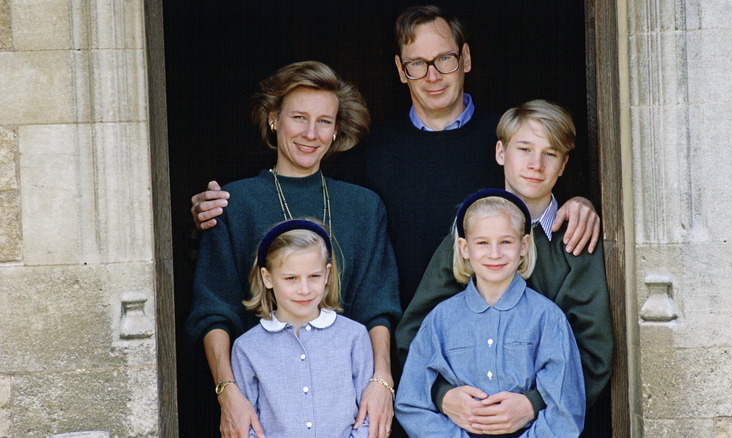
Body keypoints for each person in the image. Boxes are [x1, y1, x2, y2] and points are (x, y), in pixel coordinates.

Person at [190, 5, 602, 312]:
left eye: (444, 59)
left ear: (466, 58)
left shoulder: (507, 140)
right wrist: (216, 211)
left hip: (494, 331)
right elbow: (299, 186)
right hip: (402, 337)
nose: (433, 75)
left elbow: (543, 189)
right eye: (417, 64)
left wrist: (581, 202)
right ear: (400, 71)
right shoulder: (371, 150)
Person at [185, 61, 401, 438]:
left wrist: (381, 381)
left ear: (337, 130)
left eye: (324, 121)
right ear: (273, 119)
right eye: (298, 117)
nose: (311, 133)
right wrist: (227, 392)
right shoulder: (234, 204)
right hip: (267, 410)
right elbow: (212, 312)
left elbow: (377, 307)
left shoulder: (364, 207)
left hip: (346, 410)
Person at [395, 100, 612, 435]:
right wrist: (442, 396)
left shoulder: (576, 238)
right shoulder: (470, 234)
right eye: (524, 149)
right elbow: (418, 333)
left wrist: (533, 403)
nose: (535, 164)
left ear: (563, 165)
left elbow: (593, 354)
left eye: (550, 153)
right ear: (501, 152)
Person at [395, 189, 585, 437]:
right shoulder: (440, 320)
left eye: (506, 242)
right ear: (464, 248)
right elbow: (411, 403)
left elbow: (566, 410)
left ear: (524, 245)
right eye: (482, 242)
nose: (494, 254)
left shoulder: (548, 318)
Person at [231, 219, 374, 438]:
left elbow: (367, 416)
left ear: (327, 274)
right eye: (291, 278)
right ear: (267, 278)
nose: (304, 289)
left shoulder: (354, 337)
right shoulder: (247, 347)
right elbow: (246, 423)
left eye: (314, 276)